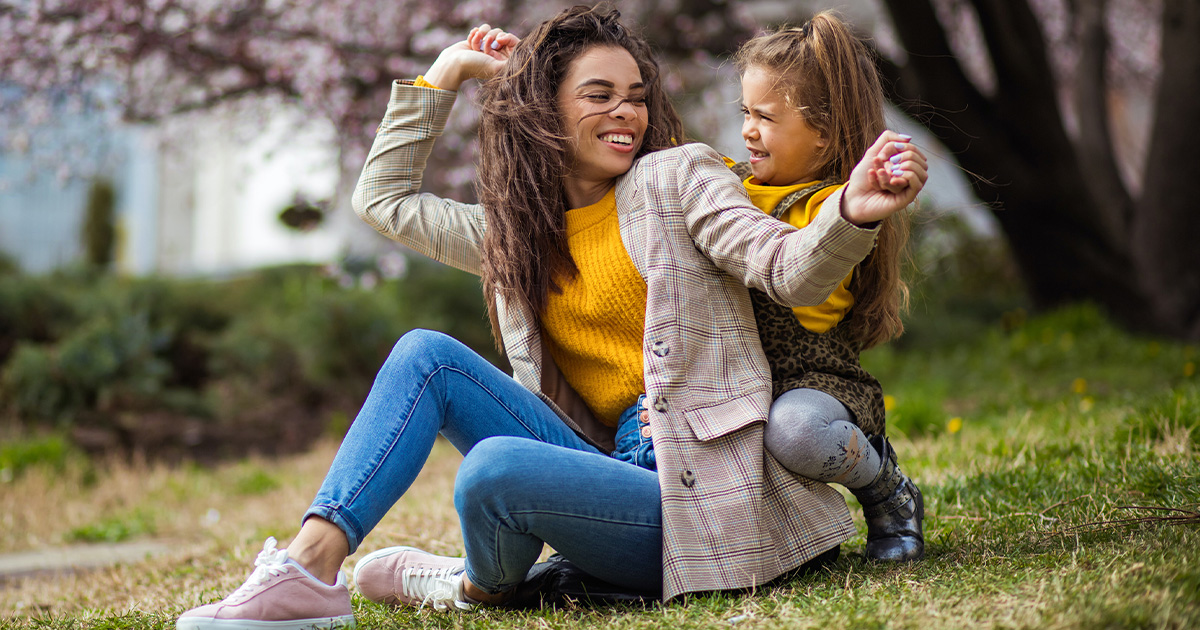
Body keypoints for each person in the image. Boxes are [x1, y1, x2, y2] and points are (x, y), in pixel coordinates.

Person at [176, 6, 925, 629]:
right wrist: (449, 72)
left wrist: (852, 214)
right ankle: (311, 570)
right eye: (598, 94)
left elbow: (787, 269)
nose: (625, 111)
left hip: (691, 493)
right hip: (597, 464)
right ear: (546, 108)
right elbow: (384, 202)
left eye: (634, 94)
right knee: (423, 355)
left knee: (495, 470)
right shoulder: (518, 233)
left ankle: (476, 585)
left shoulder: (681, 179)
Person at [727, 12, 927, 562]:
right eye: (745, 112)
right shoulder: (726, 186)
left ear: (826, 135)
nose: (747, 130)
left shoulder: (826, 206)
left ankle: (887, 489)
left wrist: (866, 197)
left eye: (765, 117)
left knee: (795, 432)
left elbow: (819, 251)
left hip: (815, 387)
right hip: (734, 385)